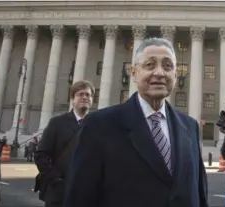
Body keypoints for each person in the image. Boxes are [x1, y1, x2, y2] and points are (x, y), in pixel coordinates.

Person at [63, 38, 208, 207]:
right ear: (133, 73)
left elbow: (200, 193)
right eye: (150, 65)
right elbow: (79, 196)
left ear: (175, 76)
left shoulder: (190, 127)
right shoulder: (99, 126)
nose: (159, 73)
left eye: (168, 66)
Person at [34, 80, 95, 207]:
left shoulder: (98, 125)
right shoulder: (57, 123)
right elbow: (41, 155)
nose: (84, 97)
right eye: (80, 94)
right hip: (60, 192)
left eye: (88, 95)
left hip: (87, 193)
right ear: (72, 99)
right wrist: (56, 180)